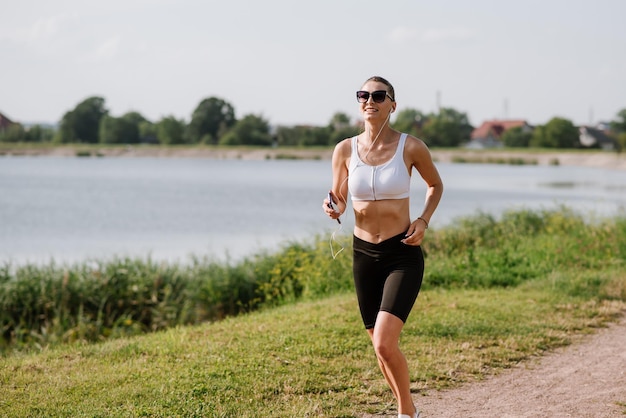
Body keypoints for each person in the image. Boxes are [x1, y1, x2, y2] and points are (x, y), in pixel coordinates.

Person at [322, 76, 443, 418]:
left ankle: (406, 412)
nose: (369, 100)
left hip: (401, 252)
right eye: (363, 95)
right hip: (364, 255)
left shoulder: (411, 147)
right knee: (381, 350)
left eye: (378, 95)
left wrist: (423, 220)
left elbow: (435, 185)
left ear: (393, 104)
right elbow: (340, 197)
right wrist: (333, 207)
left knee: (384, 343)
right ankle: (410, 409)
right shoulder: (344, 149)